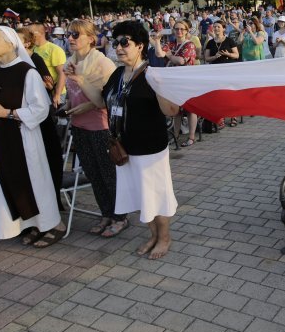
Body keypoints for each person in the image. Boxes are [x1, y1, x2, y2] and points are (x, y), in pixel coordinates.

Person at [0, 27, 66, 247]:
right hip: (0, 139)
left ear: (11, 43)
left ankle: (52, 224)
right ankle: (31, 224)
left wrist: (7, 113)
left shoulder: (28, 72)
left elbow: (41, 109)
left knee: (35, 181)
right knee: (9, 180)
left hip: (25, 138)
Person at [102, 21, 180, 259]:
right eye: (116, 43)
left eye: (125, 42)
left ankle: (164, 237)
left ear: (140, 46)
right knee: (140, 195)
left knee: (157, 194)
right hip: (125, 147)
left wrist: (160, 87)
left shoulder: (151, 74)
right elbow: (102, 100)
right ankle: (153, 235)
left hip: (149, 147)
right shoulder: (117, 74)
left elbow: (172, 111)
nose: (119, 47)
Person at [61, 19, 120, 236]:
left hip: (100, 126)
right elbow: (72, 92)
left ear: (91, 38)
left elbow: (109, 98)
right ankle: (106, 213)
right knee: (93, 174)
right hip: (79, 125)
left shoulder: (102, 62)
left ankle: (119, 216)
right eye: (69, 34)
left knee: (108, 174)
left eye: (76, 35)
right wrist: (68, 106)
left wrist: (85, 105)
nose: (70, 38)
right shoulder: (70, 61)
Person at [151, 19, 199, 148]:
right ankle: (176, 135)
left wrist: (170, 55)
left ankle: (191, 137)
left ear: (186, 31)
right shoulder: (171, 43)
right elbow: (159, 54)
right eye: (177, 29)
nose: (179, 31)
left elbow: (181, 61)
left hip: (187, 80)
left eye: (182, 29)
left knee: (190, 109)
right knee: (176, 109)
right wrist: (156, 41)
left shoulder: (190, 44)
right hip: (173, 80)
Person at [204, 20, 240, 127]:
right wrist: (214, 57)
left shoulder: (229, 40)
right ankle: (221, 117)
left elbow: (237, 55)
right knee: (219, 94)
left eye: (218, 27)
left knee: (230, 93)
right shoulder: (210, 42)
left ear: (224, 28)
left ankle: (233, 116)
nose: (216, 29)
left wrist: (228, 53)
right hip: (216, 71)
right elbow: (206, 58)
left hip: (229, 70)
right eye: (214, 27)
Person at [30, 24, 66, 107]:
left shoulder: (54, 49)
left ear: (41, 33)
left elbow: (62, 73)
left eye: (31, 33)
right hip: (40, 93)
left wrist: (57, 94)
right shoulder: (32, 49)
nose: (28, 35)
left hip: (55, 92)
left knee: (59, 119)